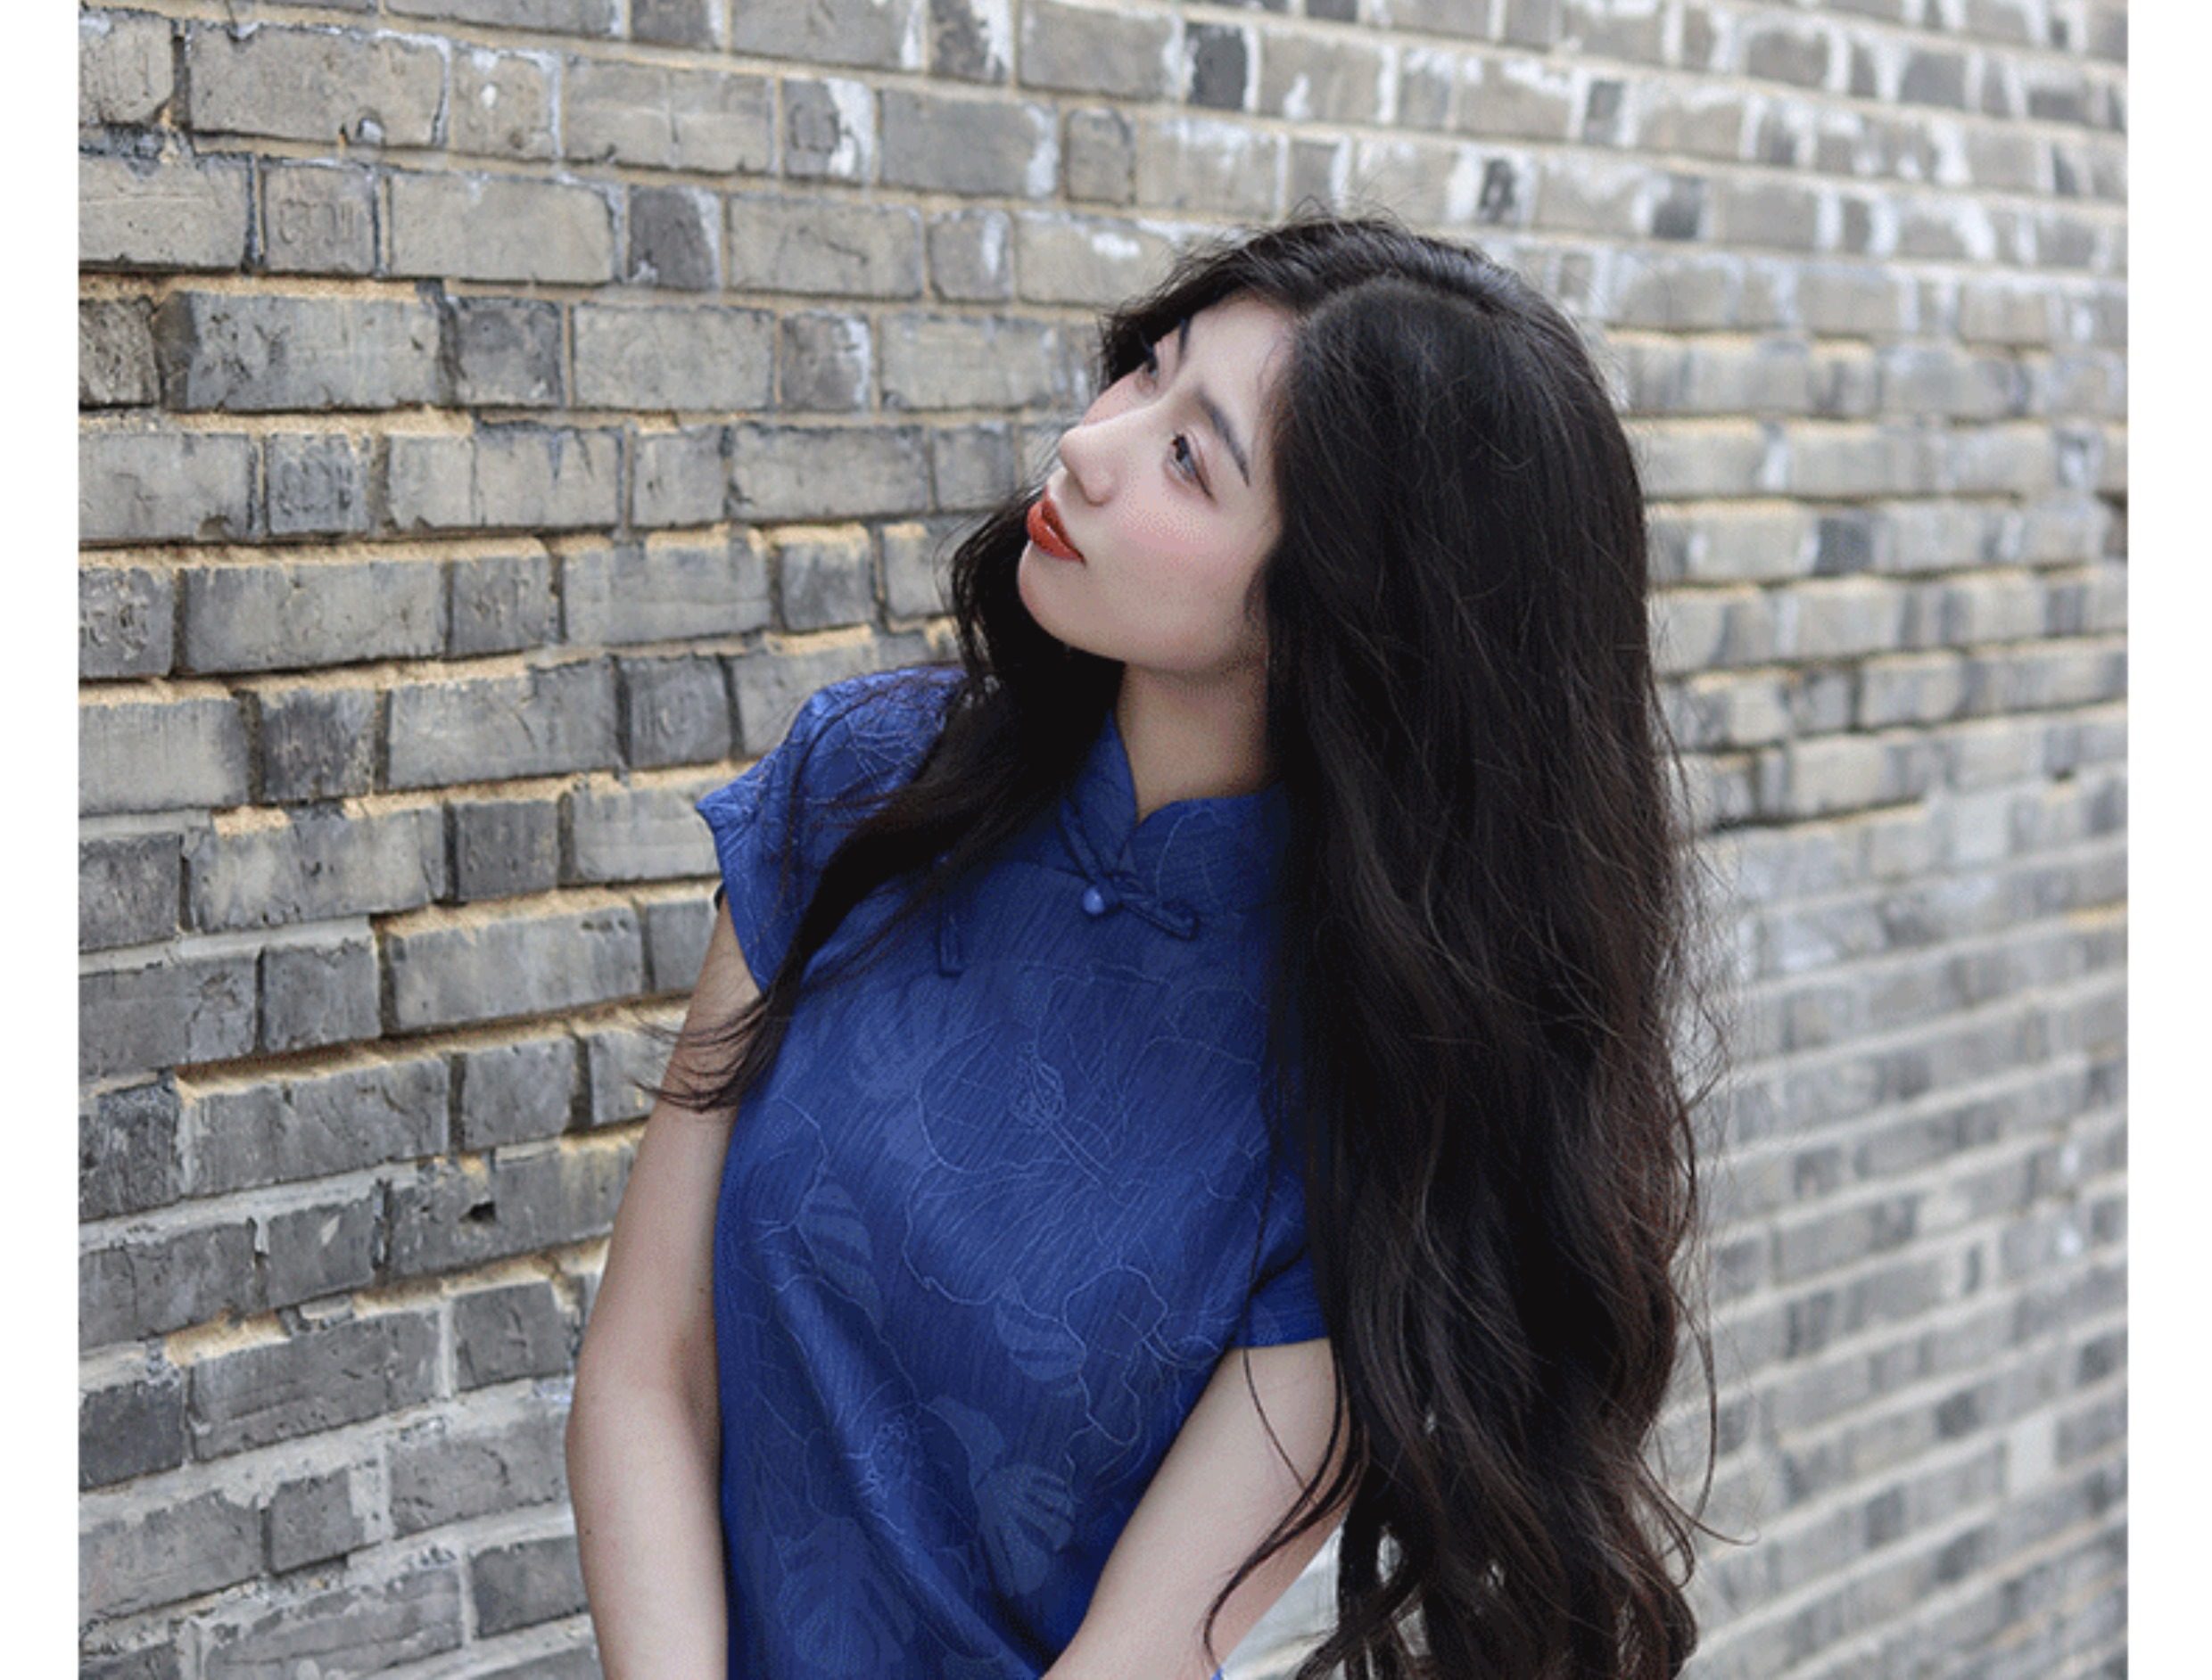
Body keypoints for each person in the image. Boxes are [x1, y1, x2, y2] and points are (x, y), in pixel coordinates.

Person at [565, 209, 1726, 1680]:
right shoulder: (865, 788)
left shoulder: (1378, 1100)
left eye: (1189, 457)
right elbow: (647, 1374)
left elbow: (1140, 1656)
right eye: (1144, 371)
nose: (1087, 445)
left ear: (1345, 602)